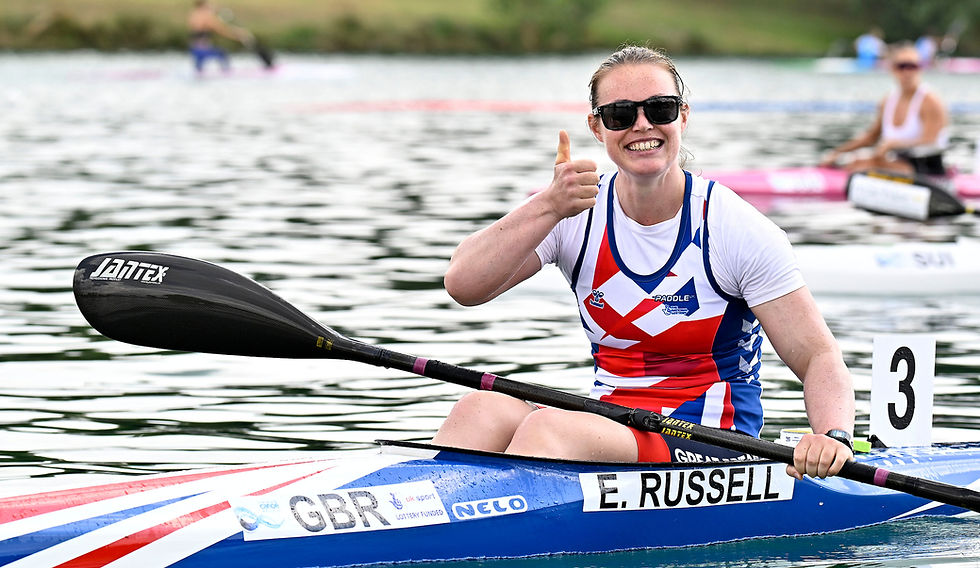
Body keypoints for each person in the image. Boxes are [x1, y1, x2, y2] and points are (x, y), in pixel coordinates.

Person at [433, 45, 855, 481]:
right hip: (611, 423)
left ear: (682, 117)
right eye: (620, 114)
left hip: (711, 441)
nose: (642, 125)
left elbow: (818, 355)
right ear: (597, 128)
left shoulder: (734, 228)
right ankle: (415, 525)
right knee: (479, 408)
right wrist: (547, 206)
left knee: (549, 430)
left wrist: (833, 436)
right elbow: (464, 285)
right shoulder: (572, 211)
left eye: (660, 108)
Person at [821, 42, 950, 176]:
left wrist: (894, 144)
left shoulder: (930, 101)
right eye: (902, 66)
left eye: (912, 66)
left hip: (927, 170)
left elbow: (930, 140)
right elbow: (870, 138)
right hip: (896, 163)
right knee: (856, 161)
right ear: (892, 69)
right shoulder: (888, 101)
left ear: (920, 68)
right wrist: (837, 152)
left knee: (865, 164)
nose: (907, 72)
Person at [187, 0, 254, 74]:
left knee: (199, 67)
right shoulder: (206, 16)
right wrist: (237, 36)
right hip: (203, 50)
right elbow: (221, 30)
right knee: (222, 53)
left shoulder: (194, 14)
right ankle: (226, 72)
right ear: (204, 5)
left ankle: (199, 72)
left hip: (193, 49)